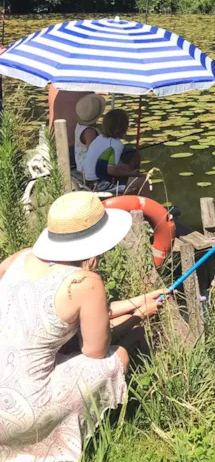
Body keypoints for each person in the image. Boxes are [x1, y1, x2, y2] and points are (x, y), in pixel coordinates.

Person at [0, 191, 164, 460]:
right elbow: (94, 352)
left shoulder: (19, 258)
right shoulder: (85, 281)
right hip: (22, 416)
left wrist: (137, 302)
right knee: (116, 359)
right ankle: (47, 442)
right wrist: (136, 318)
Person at [83, 109, 148, 194]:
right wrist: (131, 173)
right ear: (123, 127)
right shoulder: (116, 144)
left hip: (89, 182)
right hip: (101, 185)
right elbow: (112, 170)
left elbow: (106, 161)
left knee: (132, 178)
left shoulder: (99, 138)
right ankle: (142, 206)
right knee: (144, 182)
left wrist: (121, 166)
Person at [74, 94, 106, 176]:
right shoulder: (90, 132)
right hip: (88, 171)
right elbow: (92, 153)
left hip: (81, 166)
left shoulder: (80, 125)